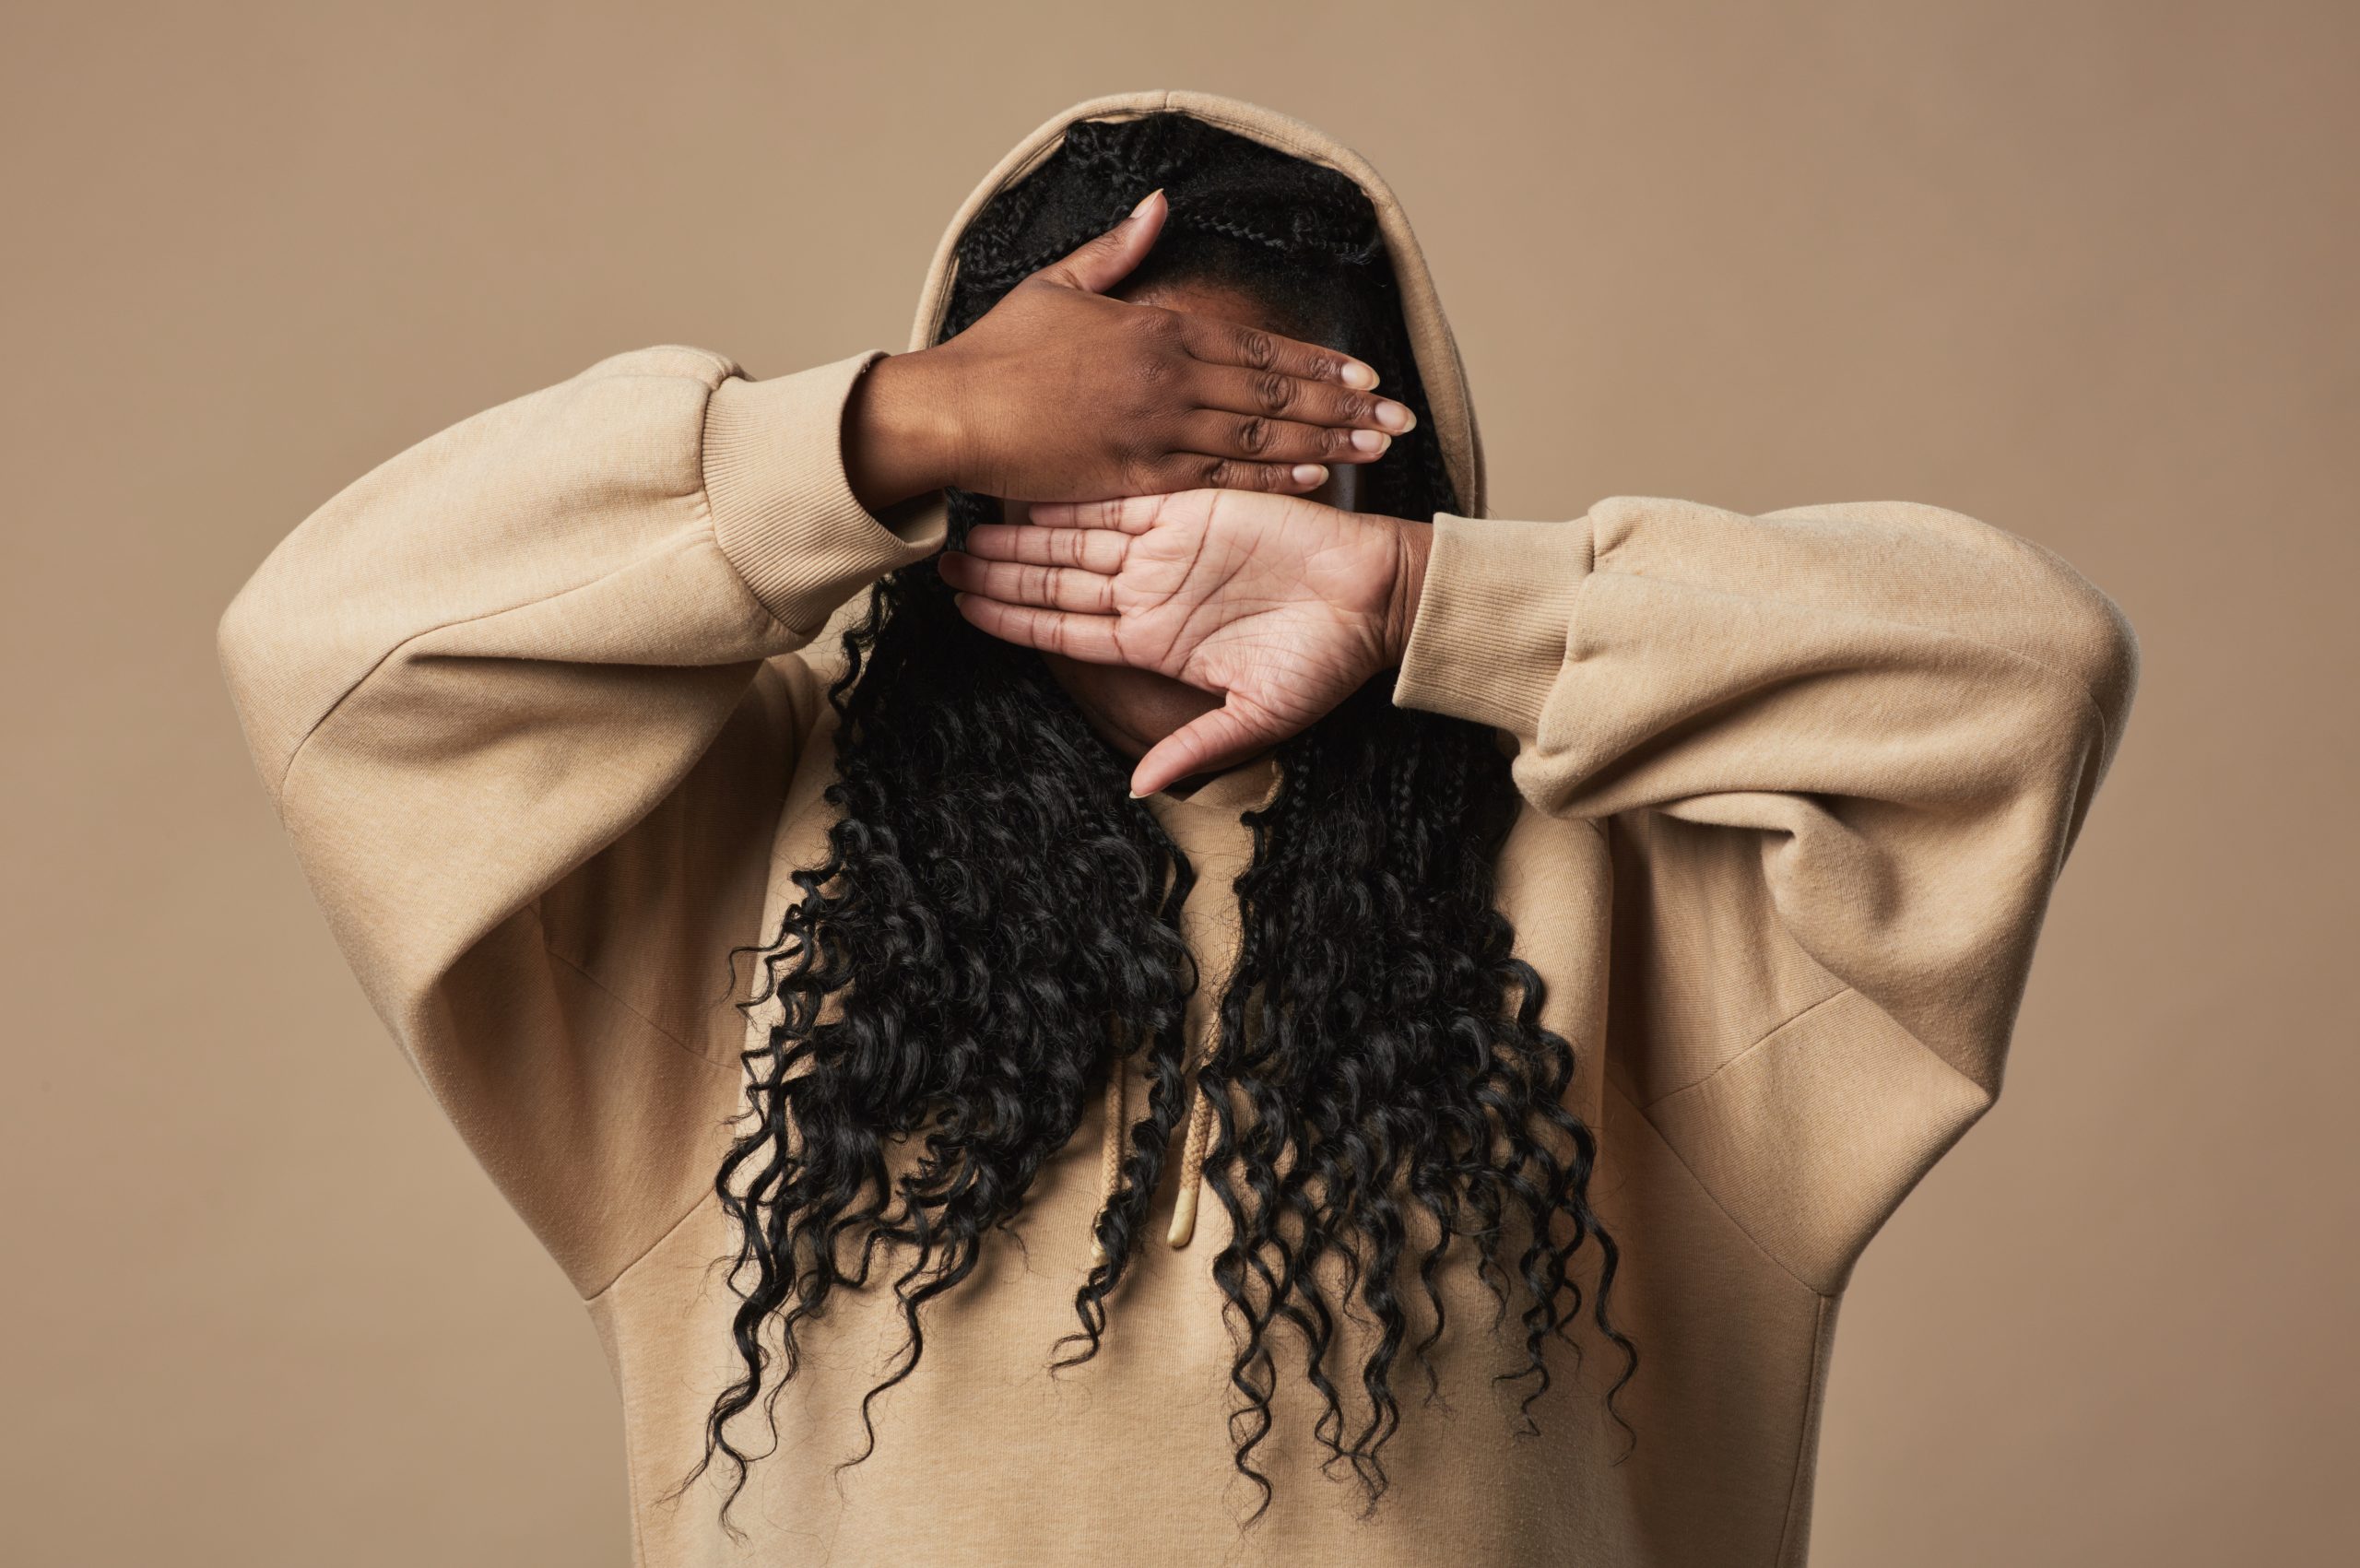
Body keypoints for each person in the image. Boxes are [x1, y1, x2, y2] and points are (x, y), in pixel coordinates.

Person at [216, 90, 2139, 1568]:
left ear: (1373, 470)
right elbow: (323, 649)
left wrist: (1416, 604)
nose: (1164, 551)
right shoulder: (732, 863)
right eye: (1067, 471)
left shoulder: (1624, 877)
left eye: (1236, 466)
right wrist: (883, 424)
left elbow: (2015, 672)